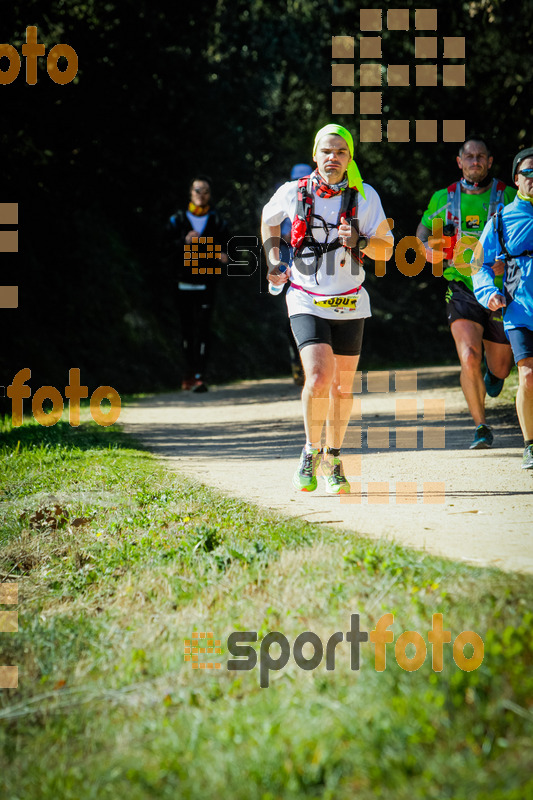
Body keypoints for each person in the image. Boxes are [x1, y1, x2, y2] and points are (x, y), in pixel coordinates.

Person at [261, 124, 393, 494]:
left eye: (340, 152)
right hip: (304, 297)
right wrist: (274, 258)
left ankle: (333, 458)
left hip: (350, 301)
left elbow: (387, 249)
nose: (333, 158)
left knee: (342, 388)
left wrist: (362, 240)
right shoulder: (294, 192)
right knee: (318, 379)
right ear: (314, 156)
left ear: (350, 158)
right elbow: (269, 219)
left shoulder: (364, 196)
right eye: (326, 151)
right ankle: (309, 449)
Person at [416, 136, 516, 449]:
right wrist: (426, 252)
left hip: (500, 293)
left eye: (480, 156)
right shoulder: (442, 198)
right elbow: (420, 238)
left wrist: (507, 260)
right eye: (469, 156)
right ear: (460, 162)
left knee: (500, 365)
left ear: (489, 161)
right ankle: (481, 426)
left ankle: (497, 376)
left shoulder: (509, 195)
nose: (475, 161)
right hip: (461, 289)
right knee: (469, 356)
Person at [472, 146, 533, 470]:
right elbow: (478, 262)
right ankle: (530, 444)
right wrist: (487, 293)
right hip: (520, 308)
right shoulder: (502, 218)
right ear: (516, 179)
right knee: (529, 376)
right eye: (529, 172)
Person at [166, 175, 229, 392]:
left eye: (205, 191)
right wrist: (184, 242)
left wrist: (214, 252)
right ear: (190, 193)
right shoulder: (177, 220)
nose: (201, 195)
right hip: (182, 282)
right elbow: (164, 249)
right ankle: (188, 374)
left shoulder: (218, 221)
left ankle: (200, 376)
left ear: (210, 196)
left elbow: (225, 255)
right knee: (186, 331)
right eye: (197, 190)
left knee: (203, 329)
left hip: (207, 283)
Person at [279, 163, 313, 386]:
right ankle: (298, 362)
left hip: (317, 273)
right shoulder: (286, 198)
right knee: (291, 318)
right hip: (288, 268)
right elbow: (278, 234)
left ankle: (313, 367)